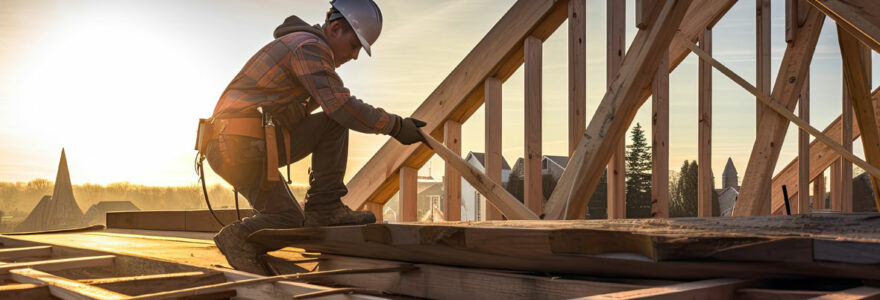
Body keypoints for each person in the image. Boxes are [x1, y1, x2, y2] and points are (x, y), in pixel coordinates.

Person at [203, 0, 426, 275]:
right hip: (239, 147)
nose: (354, 56)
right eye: (354, 45)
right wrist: (394, 125)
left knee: (288, 219)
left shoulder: (302, 48)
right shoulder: (309, 47)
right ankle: (324, 207)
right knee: (336, 119)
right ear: (334, 28)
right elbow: (341, 106)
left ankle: (243, 239)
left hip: (243, 147)